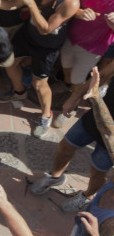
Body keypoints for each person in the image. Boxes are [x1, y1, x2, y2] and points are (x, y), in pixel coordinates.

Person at [0, 0, 79, 137]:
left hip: (48, 45)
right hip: (28, 34)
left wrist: (31, 3)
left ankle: (46, 116)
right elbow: (14, 4)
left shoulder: (71, 2)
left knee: (39, 84)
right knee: (9, 63)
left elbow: (46, 29)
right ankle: (19, 92)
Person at [30, 67, 114, 214]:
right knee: (66, 145)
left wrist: (96, 99)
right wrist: (74, 97)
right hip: (95, 116)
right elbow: (102, 75)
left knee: (98, 169)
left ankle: (87, 196)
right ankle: (55, 177)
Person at [55, 0, 114, 127]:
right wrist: (78, 12)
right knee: (66, 67)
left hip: (94, 47)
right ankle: (69, 90)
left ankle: (70, 108)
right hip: (71, 37)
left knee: (78, 78)